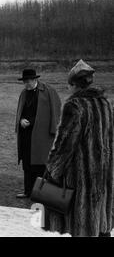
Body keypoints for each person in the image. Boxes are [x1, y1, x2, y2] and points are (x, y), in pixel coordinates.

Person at [43, 60, 113, 237]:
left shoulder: (74, 106)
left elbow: (64, 145)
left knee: (83, 225)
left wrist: (52, 170)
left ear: (74, 85)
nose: (68, 89)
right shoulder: (104, 104)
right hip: (103, 175)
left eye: (69, 85)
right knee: (99, 222)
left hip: (81, 177)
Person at [15, 69, 61, 198]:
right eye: (25, 81)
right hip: (26, 135)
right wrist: (21, 120)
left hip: (42, 135)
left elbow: (56, 110)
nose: (26, 83)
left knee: (40, 165)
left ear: (35, 79)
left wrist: (54, 131)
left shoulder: (48, 91)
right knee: (27, 163)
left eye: (28, 81)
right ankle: (28, 191)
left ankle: (40, 194)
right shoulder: (24, 93)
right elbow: (21, 111)